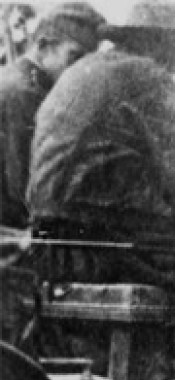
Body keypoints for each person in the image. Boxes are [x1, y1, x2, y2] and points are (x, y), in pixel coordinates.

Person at [27, 0, 175, 375]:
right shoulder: (147, 79)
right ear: (157, 44)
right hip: (109, 255)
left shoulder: (80, 72)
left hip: (51, 250)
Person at [1, 2, 105, 229]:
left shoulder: (28, 85)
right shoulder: (24, 93)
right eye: (74, 58)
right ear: (43, 46)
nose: (81, 72)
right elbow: (24, 189)